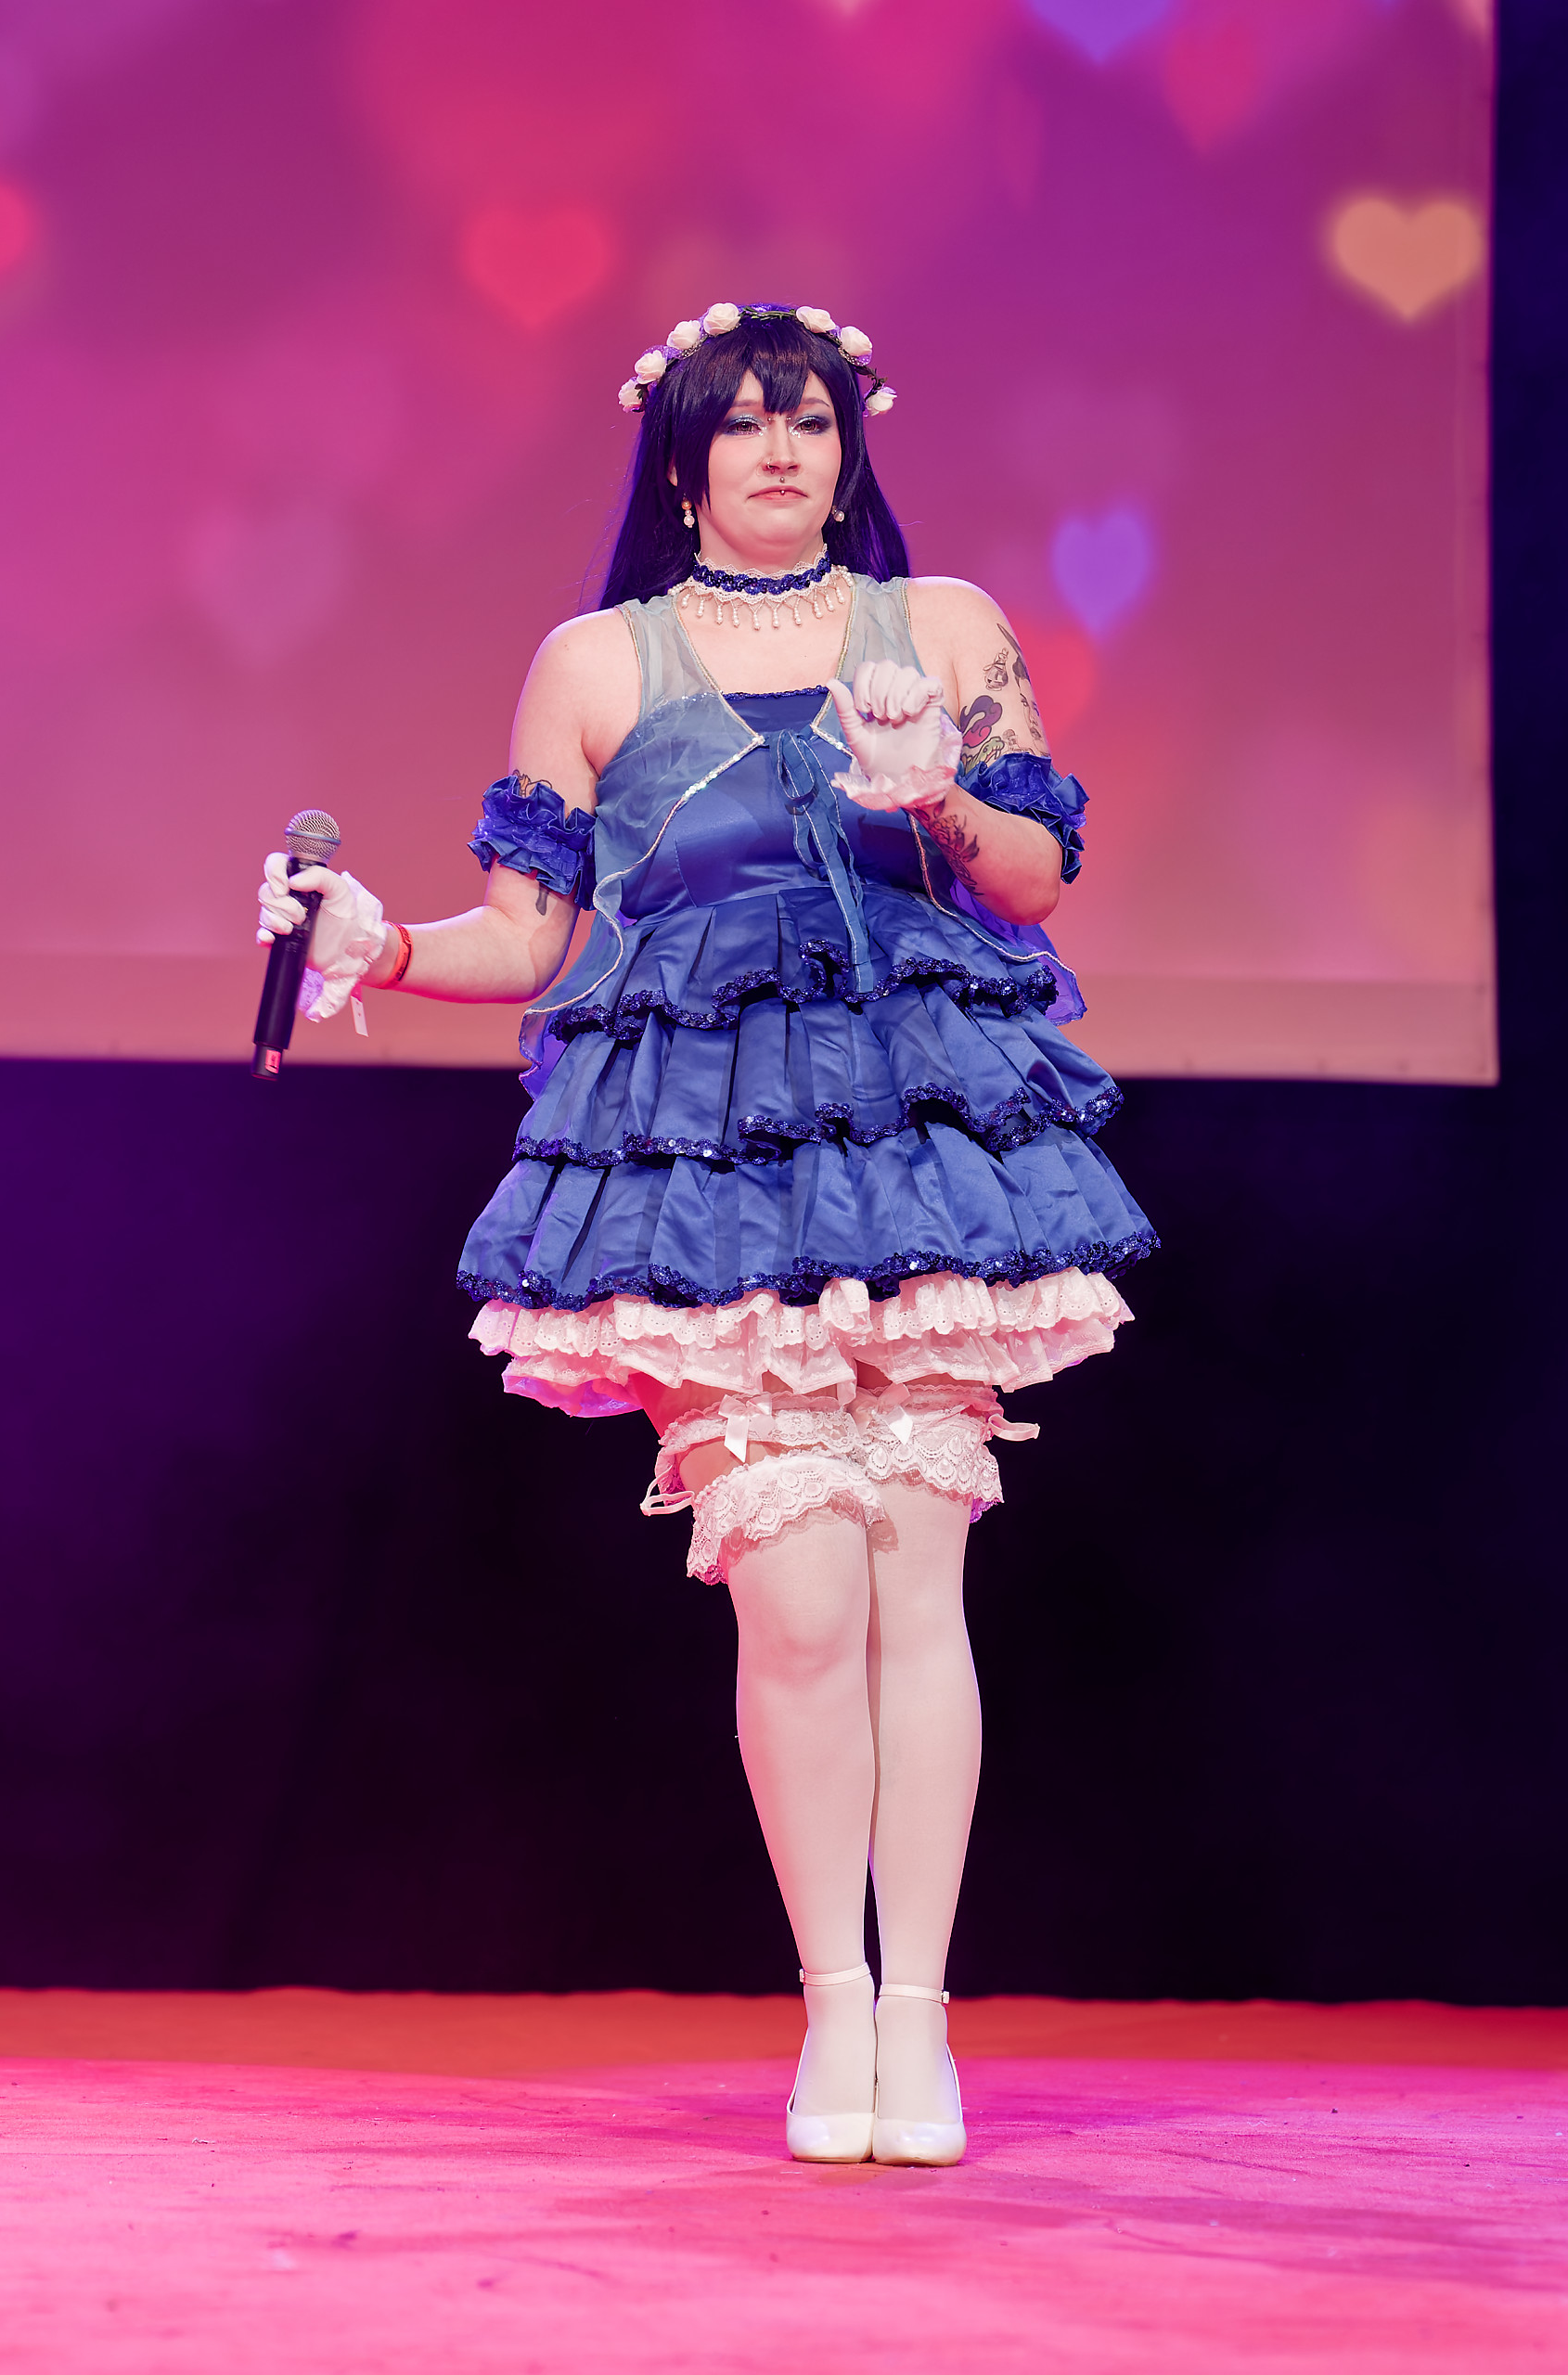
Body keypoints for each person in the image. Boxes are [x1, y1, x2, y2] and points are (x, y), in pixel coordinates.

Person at [255, 301, 1156, 2168]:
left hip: (914, 1134)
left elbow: (1039, 876)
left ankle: (917, 2019)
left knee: (915, 1575)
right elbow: (535, 935)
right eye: (740, 423)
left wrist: (937, 794)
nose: (778, 449)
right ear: (678, 460)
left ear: (848, 445)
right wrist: (378, 940)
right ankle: (833, 1993)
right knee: (799, 1601)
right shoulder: (597, 660)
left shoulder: (949, 626)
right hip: (710, 1160)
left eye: (807, 421)